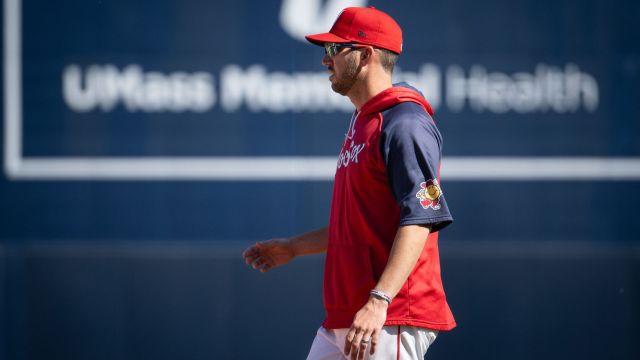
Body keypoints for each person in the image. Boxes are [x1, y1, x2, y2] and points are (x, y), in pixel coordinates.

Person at [242, 6, 455, 360]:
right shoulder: (364, 121)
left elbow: (422, 218)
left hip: (389, 317)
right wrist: (294, 247)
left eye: (334, 50)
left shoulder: (405, 122)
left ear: (366, 54)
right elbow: (359, 226)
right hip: (349, 317)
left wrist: (379, 300)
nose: (326, 61)